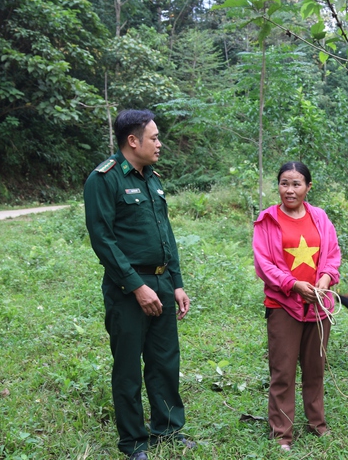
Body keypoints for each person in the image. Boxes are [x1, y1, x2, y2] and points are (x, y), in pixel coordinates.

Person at [84, 109, 196, 460]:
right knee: (129, 367)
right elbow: (102, 240)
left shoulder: (152, 178)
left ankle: (167, 429)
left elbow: (167, 235)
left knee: (165, 361)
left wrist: (176, 282)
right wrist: (136, 286)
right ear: (133, 141)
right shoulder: (104, 179)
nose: (160, 144)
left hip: (162, 282)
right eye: (154, 137)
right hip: (127, 288)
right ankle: (134, 442)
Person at [252, 161, 341, 452]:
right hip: (283, 305)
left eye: (296, 184)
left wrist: (326, 279)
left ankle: (318, 424)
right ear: (278, 186)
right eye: (284, 183)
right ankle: (282, 434)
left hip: (319, 306)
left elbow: (333, 255)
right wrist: (293, 285)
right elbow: (263, 264)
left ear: (308, 187)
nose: (289, 190)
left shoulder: (321, 218)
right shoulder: (268, 220)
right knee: (283, 371)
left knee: (315, 368)